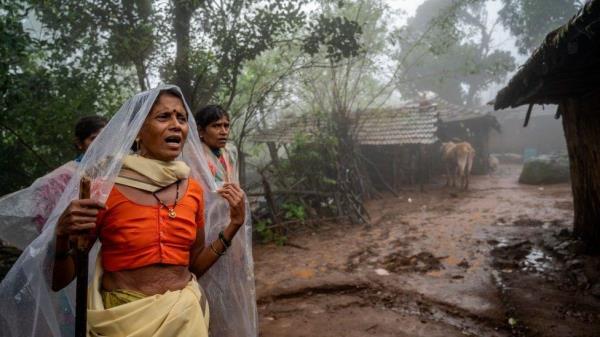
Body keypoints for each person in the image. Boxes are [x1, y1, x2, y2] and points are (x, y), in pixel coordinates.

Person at [0, 85, 258, 337]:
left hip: (186, 318)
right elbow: (61, 280)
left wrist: (234, 224)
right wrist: (61, 234)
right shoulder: (104, 190)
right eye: (163, 116)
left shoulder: (193, 191)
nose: (176, 125)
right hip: (122, 321)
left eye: (181, 118)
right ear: (137, 132)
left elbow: (193, 266)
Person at [0, 115, 107, 249]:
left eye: (106, 139)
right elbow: (42, 214)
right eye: (94, 139)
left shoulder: (115, 171)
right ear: (79, 143)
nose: (101, 144)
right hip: (69, 246)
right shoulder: (65, 175)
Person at [195, 105, 238, 185]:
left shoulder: (230, 153)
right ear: (201, 131)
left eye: (226, 126)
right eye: (216, 126)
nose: (224, 132)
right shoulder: (195, 156)